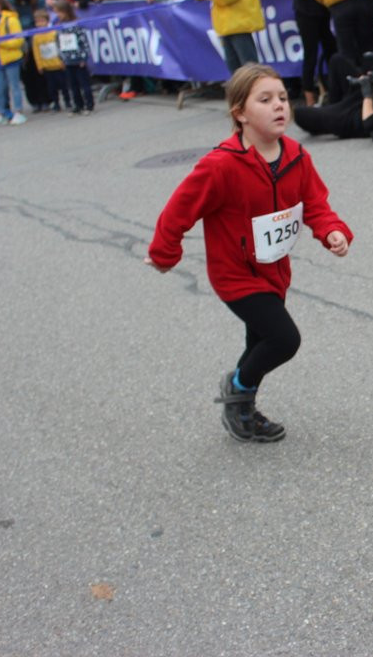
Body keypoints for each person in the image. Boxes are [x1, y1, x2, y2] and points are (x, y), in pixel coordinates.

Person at [146, 64, 352, 443]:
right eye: (265, 100)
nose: (280, 107)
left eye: (283, 98)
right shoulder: (220, 165)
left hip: (275, 269)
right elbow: (179, 210)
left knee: (259, 343)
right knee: (284, 340)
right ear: (239, 113)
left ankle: (243, 408)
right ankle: (237, 390)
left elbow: (316, 204)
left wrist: (332, 231)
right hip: (235, 274)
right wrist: (164, 254)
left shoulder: (295, 155)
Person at [292, 53, 373, 139]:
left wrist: (367, 93)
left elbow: (370, 123)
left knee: (299, 113)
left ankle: (327, 117)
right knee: (338, 59)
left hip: (355, 119)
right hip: (362, 99)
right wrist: (369, 78)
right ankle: (331, 105)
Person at [288, 0, 337, 106]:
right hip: (306, 13)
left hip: (324, 10)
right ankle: (309, 94)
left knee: (332, 50)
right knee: (311, 53)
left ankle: (335, 89)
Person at [52, 0, 94, 115]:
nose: (58, 15)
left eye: (59, 12)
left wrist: (83, 57)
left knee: (84, 84)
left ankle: (89, 105)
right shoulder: (59, 26)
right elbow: (58, 43)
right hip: (68, 60)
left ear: (66, 11)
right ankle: (77, 105)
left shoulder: (76, 24)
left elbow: (83, 41)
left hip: (78, 59)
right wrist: (61, 58)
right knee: (73, 85)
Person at [0, 0, 27, 125]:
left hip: (11, 58)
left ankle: (18, 112)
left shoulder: (11, 19)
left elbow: (19, 39)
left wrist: (2, 44)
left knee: (14, 86)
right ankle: (1, 113)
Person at [31, 7, 70, 112]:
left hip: (58, 64)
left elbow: (60, 47)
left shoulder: (54, 32)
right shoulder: (36, 37)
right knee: (52, 88)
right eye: (37, 22)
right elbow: (36, 52)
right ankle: (56, 103)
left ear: (47, 21)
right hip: (47, 66)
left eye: (42, 21)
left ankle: (68, 101)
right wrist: (39, 65)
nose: (39, 24)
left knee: (64, 85)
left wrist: (62, 60)